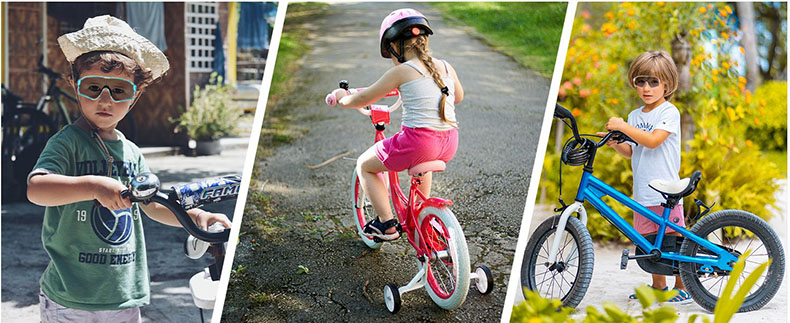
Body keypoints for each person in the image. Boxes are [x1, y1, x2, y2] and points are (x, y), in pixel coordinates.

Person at [26, 15, 232, 322]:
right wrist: (93, 186)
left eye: (118, 91)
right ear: (74, 85)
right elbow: (36, 189)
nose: (104, 100)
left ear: (135, 93)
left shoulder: (131, 152)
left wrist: (197, 216)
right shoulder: (66, 142)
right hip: (71, 297)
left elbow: (152, 206)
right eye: (93, 87)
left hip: (123, 296)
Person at [328, 8, 463, 241]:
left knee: (365, 165)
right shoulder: (445, 66)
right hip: (449, 142)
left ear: (394, 47)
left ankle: (386, 224)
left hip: (419, 142)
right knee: (424, 165)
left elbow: (362, 99)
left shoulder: (401, 71)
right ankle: (422, 217)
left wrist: (341, 97)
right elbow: (457, 97)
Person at [599, 50, 691, 304]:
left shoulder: (668, 112)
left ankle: (683, 287)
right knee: (649, 242)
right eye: (641, 81)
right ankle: (658, 287)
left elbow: (652, 141)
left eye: (654, 82)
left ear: (667, 84)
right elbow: (632, 150)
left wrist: (623, 127)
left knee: (674, 240)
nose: (646, 88)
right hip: (643, 192)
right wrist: (617, 142)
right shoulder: (635, 116)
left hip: (666, 192)